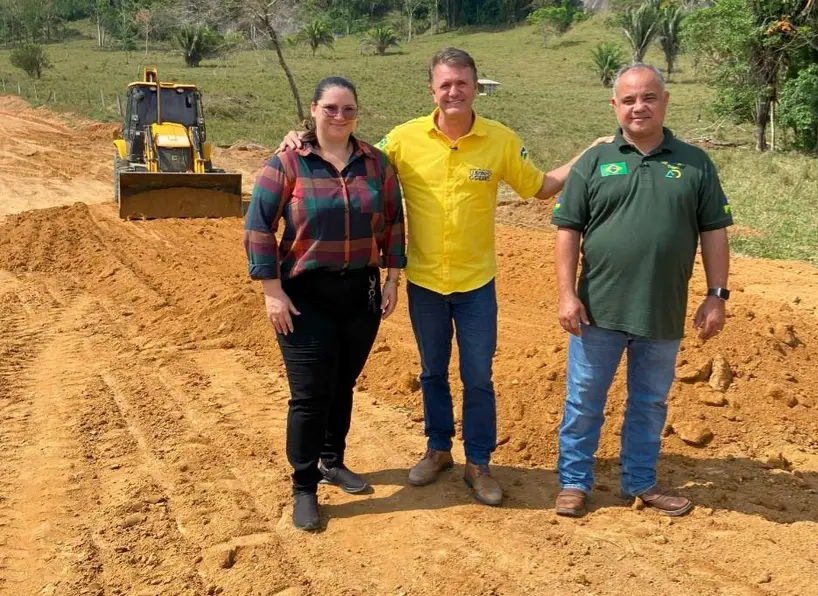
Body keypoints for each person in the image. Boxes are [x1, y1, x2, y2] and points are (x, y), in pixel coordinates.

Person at [280, 48, 609, 507]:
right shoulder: (405, 139)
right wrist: (303, 137)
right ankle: (438, 450)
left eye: (462, 83)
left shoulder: (499, 140)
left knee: (478, 377)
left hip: (477, 285)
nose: (453, 91)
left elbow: (540, 187)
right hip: (426, 283)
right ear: (432, 90)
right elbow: (352, 154)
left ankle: (479, 462)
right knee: (432, 373)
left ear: (476, 87)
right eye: (445, 84)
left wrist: (588, 155)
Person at [551, 63, 734, 518]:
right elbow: (567, 231)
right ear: (615, 106)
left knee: (649, 404)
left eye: (648, 97)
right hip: (597, 310)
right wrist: (566, 293)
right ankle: (574, 482)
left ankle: (640, 482)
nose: (639, 107)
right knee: (584, 401)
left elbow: (714, 232)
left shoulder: (694, 162)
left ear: (665, 102)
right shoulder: (594, 161)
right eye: (629, 99)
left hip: (662, 311)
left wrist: (717, 294)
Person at [244, 76, 406, 531]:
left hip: (361, 293)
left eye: (348, 109)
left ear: (357, 113)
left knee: (344, 383)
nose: (339, 117)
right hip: (304, 296)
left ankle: (333, 462)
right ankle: (304, 485)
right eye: (330, 108)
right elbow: (259, 227)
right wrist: (271, 291)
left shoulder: (376, 163)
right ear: (313, 110)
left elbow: (393, 221)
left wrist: (393, 276)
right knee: (311, 394)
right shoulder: (288, 162)